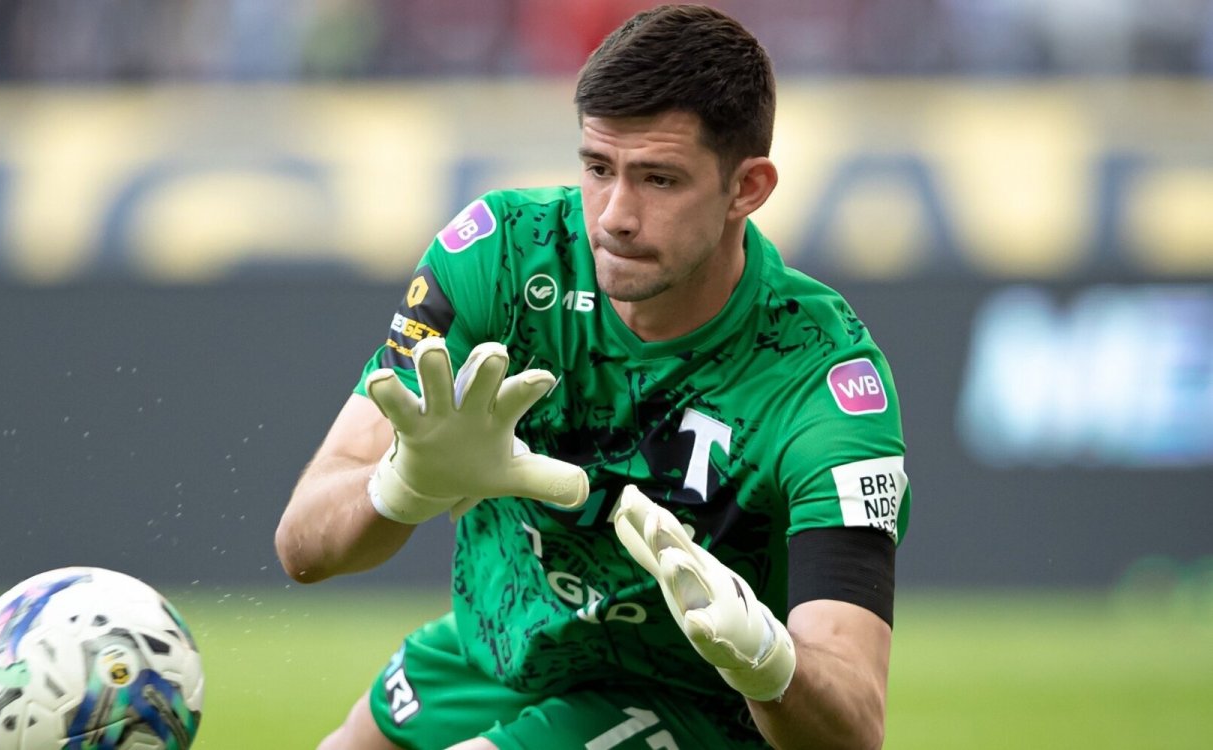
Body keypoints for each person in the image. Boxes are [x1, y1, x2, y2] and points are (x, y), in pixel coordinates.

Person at [275, 5, 909, 748]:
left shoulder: (821, 380)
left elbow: (854, 726)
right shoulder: (500, 259)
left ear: (748, 187)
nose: (614, 217)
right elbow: (303, 548)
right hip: (507, 647)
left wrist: (764, 659)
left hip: (696, 700)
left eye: (659, 179)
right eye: (598, 169)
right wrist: (400, 487)